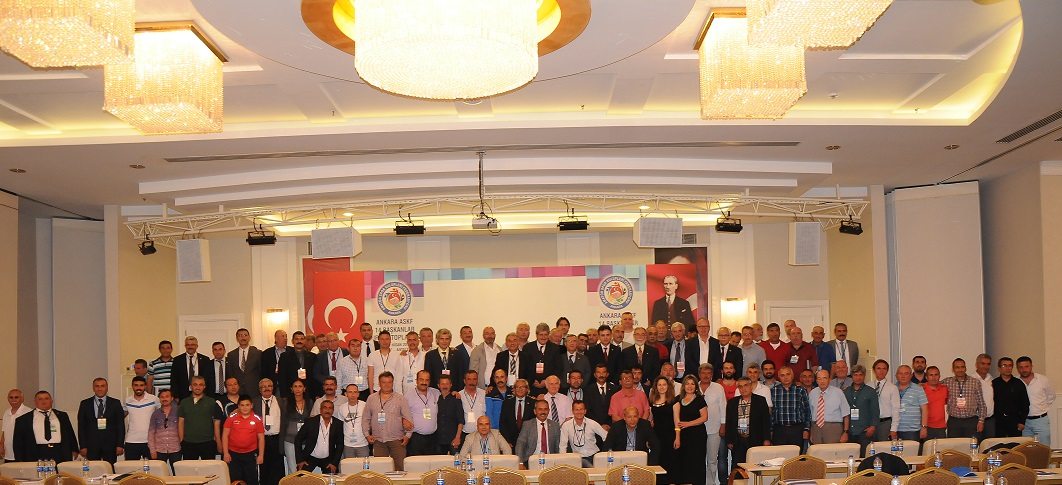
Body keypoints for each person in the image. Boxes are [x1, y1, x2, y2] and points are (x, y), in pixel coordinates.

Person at [362, 372, 413, 471]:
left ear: (393, 383)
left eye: (389, 382)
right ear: (379, 383)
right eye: (384, 382)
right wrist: (367, 435)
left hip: (397, 441)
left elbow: (408, 418)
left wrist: (408, 436)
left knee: (400, 469)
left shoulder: (400, 399)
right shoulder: (371, 398)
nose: (386, 385)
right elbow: (365, 418)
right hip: (378, 441)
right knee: (380, 470)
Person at [12, 390, 78, 463]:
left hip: (60, 452)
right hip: (35, 453)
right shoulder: (23, 419)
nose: (43, 401)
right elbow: (18, 442)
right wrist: (19, 459)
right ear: (35, 402)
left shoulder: (62, 416)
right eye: (40, 399)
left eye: (46, 398)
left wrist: (74, 449)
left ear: (51, 401)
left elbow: (70, 433)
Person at [77, 377, 125, 464]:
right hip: (91, 444)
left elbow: (120, 425)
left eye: (102, 386)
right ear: (93, 388)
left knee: (110, 468)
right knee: (93, 469)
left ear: (107, 388)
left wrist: (120, 445)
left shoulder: (115, 403)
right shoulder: (85, 404)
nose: (100, 389)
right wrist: (82, 446)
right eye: (97, 386)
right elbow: (81, 427)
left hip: (111, 444)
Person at [727, 377, 771, 467]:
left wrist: (766, 439)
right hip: (738, 441)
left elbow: (766, 421)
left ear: (751, 386)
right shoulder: (732, 402)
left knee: (755, 466)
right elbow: (729, 422)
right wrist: (729, 440)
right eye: (740, 386)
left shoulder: (760, 400)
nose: (743, 388)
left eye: (746, 385)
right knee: (738, 467)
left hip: (756, 439)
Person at [673, 375, 709, 485]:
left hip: (698, 436)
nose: (690, 386)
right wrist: (677, 437)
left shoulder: (699, 399)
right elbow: (676, 420)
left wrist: (688, 424)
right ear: (683, 386)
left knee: (697, 463)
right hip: (683, 436)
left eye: (692, 384)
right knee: (683, 463)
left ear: (696, 386)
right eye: (687, 383)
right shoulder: (678, 399)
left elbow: (704, 417)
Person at [222, 395, 265, 485]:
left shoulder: (257, 419)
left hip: (250, 455)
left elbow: (261, 438)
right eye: (242, 405)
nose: (245, 407)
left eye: (247, 405)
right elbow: (225, 435)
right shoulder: (231, 418)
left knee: (252, 480)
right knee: (235, 480)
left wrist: (261, 455)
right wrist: (226, 453)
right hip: (233, 455)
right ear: (238, 406)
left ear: (251, 405)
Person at [178, 376, 223, 459]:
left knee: (209, 467)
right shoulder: (184, 402)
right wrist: (181, 440)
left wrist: (218, 442)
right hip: (188, 443)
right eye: (195, 384)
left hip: (208, 442)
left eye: (201, 384)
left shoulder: (212, 402)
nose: (198, 387)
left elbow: (216, 424)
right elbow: (181, 422)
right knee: (189, 467)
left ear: (204, 387)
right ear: (191, 386)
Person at [941, 358, 986, 439]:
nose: (960, 370)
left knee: (971, 445)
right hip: (954, 421)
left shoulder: (975, 382)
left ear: (965, 368)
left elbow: (981, 404)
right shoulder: (947, 382)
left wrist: (981, 421)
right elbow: (933, 384)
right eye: (957, 367)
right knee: (953, 445)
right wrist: (922, 385)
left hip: (971, 421)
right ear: (953, 369)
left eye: (962, 367)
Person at [698, 364, 728, 485]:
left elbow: (723, 406)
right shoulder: (693, 386)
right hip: (696, 430)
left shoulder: (718, 387)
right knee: (698, 458)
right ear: (699, 374)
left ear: (712, 375)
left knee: (712, 460)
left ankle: (710, 483)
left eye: (708, 373)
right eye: (703, 373)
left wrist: (723, 425)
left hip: (714, 429)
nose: (706, 375)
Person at [294, 399, 342, 473]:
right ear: (320, 410)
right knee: (301, 476)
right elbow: (298, 439)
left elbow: (340, 445)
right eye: (325, 407)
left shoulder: (338, 424)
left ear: (333, 410)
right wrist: (300, 460)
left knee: (332, 477)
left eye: (330, 408)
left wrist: (334, 463)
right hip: (310, 457)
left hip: (328, 459)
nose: (327, 410)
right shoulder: (310, 422)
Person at [253, 379, 285, 485]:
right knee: (263, 468)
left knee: (277, 469)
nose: (267, 388)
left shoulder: (282, 401)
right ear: (259, 390)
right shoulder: (254, 402)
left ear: (273, 388)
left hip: (277, 439)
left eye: (269, 386)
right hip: (261, 439)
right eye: (263, 387)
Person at [559, 400, 607, 467]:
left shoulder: (592, 423)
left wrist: (605, 453)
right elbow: (563, 445)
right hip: (577, 458)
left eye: (581, 409)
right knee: (587, 466)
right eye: (576, 410)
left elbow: (606, 436)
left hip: (594, 456)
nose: (579, 412)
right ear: (572, 411)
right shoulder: (566, 425)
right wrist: (563, 461)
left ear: (585, 411)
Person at [1018, 356, 1054, 444]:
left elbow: (1051, 396)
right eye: (1021, 367)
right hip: (1024, 422)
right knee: (1026, 448)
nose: (1024, 369)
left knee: (1044, 448)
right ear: (1017, 368)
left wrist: (1041, 408)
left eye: (1026, 366)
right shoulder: (1016, 381)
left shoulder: (1042, 379)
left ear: (1031, 366)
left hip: (1041, 420)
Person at [843, 365, 878, 456]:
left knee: (865, 457)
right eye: (855, 375)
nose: (858, 377)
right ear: (852, 376)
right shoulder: (846, 391)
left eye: (860, 375)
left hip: (865, 431)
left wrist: (873, 427)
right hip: (850, 431)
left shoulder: (871, 391)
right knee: (851, 457)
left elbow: (875, 410)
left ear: (864, 376)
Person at [808, 369, 850, 445]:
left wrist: (845, 432)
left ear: (829, 379)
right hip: (816, 428)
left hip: (833, 428)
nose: (822, 381)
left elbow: (846, 414)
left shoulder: (838, 392)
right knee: (817, 451)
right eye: (819, 378)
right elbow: (810, 414)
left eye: (825, 378)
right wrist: (811, 432)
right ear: (816, 381)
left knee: (832, 451)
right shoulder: (812, 393)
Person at [514, 400, 561, 468]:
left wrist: (559, 462)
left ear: (549, 411)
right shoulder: (527, 425)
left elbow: (558, 447)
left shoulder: (555, 425)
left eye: (545, 409)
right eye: (540, 409)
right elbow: (520, 444)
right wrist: (520, 462)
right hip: (531, 460)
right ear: (535, 411)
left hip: (550, 461)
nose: (543, 412)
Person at [769, 366, 808, 448]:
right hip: (779, 430)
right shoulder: (773, 391)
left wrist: (806, 429)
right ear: (779, 377)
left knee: (796, 454)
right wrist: (771, 430)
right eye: (782, 375)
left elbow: (806, 410)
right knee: (780, 454)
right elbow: (772, 413)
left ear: (792, 375)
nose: (785, 377)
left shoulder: (800, 390)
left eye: (788, 374)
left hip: (797, 429)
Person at [402, 370, 438, 456]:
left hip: (433, 439)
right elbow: (401, 413)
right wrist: (403, 420)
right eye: (421, 379)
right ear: (416, 380)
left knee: (432, 463)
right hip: (416, 439)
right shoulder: (408, 396)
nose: (424, 382)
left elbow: (446, 395)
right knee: (416, 463)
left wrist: (455, 393)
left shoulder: (436, 393)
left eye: (427, 380)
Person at [522, 323, 564, 396]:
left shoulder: (555, 348)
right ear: (536, 335)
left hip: (549, 387)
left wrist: (547, 381)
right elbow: (524, 367)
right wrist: (532, 381)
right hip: (531, 387)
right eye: (541, 335)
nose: (543, 337)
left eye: (545, 335)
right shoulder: (527, 348)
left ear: (548, 335)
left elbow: (558, 368)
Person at [124, 376, 160, 460]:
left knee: (153, 467)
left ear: (145, 386)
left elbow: (161, 415)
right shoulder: (127, 400)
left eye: (141, 385)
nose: (138, 388)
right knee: (130, 467)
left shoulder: (154, 399)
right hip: (131, 441)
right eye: (136, 385)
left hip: (150, 441)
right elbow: (121, 415)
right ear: (132, 386)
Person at [992, 357, 1029, 438]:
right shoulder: (994, 384)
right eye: (1004, 365)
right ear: (999, 368)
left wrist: (1022, 422)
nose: (1007, 368)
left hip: (1015, 422)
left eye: (1010, 366)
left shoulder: (1018, 383)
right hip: (998, 422)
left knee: (1015, 444)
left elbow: (1025, 404)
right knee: (999, 444)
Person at [648, 377, 676, 482]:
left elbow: (677, 421)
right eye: (659, 385)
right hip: (656, 436)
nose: (662, 387)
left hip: (670, 436)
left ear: (668, 386)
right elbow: (650, 420)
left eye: (664, 384)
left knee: (669, 461)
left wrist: (677, 437)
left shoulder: (674, 401)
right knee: (657, 461)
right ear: (656, 387)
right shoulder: (652, 402)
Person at [147, 389, 181, 471]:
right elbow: (151, 433)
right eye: (162, 397)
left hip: (175, 449)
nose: (164, 399)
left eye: (167, 396)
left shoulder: (179, 412)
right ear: (159, 399)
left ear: (172, 398)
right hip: (159, 450)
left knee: (177, 473)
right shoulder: (155, 414)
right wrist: (152, 450)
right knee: (159, 474)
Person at [283, 379, 312, 474]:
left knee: (305, 468)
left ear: (304, 388)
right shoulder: (286, 402)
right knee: (292, 468)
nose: (297, 389)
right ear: (291, 389)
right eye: (295, 386)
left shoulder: (309, 402)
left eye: (300, 386)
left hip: (305, 440)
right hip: (290, 440)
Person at [172, 336, 215, 400]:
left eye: (192, 345)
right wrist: (176, 396)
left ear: (197, 346)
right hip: (183, 395)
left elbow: (209, 379)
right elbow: (174, 380)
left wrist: (208, 395)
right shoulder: (177, 360)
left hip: (202, 395)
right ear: (185, 346)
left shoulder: (205, 359)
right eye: (188, 345)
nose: (190, 347)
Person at [333, 383, 369, 458]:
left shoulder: (365, 405)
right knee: (349, 465)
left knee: (364, 465)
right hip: (347, 445)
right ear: (346, 394)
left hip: (363, 444)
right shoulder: (342, 408)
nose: (353, 395)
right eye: (350, 392)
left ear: (358, 394)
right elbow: (340, 426)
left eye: (355, 392)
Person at [894, 365, 928, 442]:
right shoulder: (892, 388)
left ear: (911, 375)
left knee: (912, 450)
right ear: (896, 375)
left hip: (913, 431)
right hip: (895, 430)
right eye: (900, 373)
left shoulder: (918, 389)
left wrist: (924, 427)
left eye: (906, 373)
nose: (903, 376)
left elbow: (924, 409)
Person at [278, 332, 317, 399]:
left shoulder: (312, 356)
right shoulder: (285, 356)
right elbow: (282, 377)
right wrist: (284, 395)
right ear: (292, 341)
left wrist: (316, 393)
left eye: (302, 339)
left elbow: (314, 376)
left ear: (305, 341)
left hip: (309, 392)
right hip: (290, 392)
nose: (299, 341)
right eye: (296, 339)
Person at [871, 359, 900, 442]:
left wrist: (894, 429)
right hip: (870, 424)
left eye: (884, 369)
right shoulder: (868, 385)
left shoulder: (892, 388)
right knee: (870, 447)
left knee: (884, 447)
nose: (881, 371)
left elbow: (896, 409)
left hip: (885, 423)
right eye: (878, 368)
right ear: (874, 370)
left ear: (887, 370)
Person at [436, 375, 465, 455]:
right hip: (439, 439)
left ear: (451, 385)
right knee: (439, 462)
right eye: (442, 384)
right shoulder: (436, 398)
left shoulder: (456, 399)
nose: (445, 386)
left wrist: (458, 437)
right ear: (438, 385)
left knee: (456, 461)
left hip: (453, 438)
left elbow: (461, 420)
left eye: (447, 384)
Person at [499, 379, 534, 447]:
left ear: (527, 389)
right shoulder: (507, 403)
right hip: (511, 442)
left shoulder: (533, 403)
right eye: (517, 387)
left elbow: (534, 423)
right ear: (514, 389)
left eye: (522, 387)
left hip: (529, 442)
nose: (520, 389)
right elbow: (502, 423)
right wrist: (507, 441)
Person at [1, 389, 32, 462]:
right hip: (8, 453)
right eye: (11, 397)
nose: (13, 399)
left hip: (23, 453)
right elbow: (4, 431)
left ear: (22, 399)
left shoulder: (29, 412)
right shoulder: (6, 412)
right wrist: (1, 445)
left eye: (16, 397)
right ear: (8, 399)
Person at [973, 353, 996, 440]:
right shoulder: (971, 380)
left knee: (990, 445)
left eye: (988, 364)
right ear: (976, 364)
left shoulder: (992, 379)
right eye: (983, 363)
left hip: (990, 420)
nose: (985, 366)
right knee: (975, 444)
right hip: (975, 420)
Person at [459, 370, 488, 436]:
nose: (472, 382)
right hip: (465, 433)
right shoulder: (459, 395)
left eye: (474, 379)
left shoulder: (484, 394)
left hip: (482, 433)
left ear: (477, 381)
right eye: (469, 379)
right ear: (464, 381)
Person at [922, 366, 948, 439]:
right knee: (926, 446)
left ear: (939, 376)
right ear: (926, 377)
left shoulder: (945, 389)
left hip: (942, 427)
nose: (934, 377)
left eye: (936, 375)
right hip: (926, 426)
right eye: (931, 375)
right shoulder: (921, 390)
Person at [399, 331, 426, 396]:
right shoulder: (401, 357)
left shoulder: (425, 356)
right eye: (409, 340)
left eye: (414, 340)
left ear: (418, 341)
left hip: (423, 392)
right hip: (406, 393)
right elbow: (398, 379)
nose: (412, 342)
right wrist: (400, 395)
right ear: (407, 342)